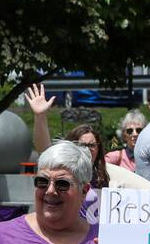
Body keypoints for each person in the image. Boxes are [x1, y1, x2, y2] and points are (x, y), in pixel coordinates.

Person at [25, 84, 109, 226]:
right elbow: (44, 150)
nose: (87, 149)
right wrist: (40, 116)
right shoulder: (63, 168)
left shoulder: (105, 173)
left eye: (91, 145)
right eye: (82, 145)